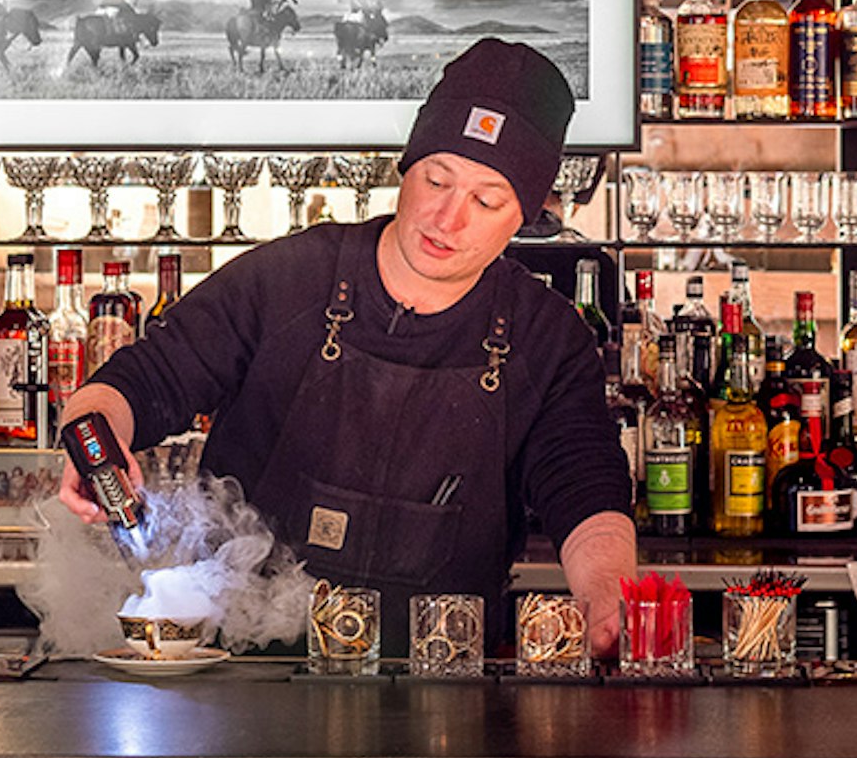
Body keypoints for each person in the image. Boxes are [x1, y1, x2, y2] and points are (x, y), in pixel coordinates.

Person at [57, 36, 638, 655]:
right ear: (407, 169)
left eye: (486, 200)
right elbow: (147, 377)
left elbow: (584, 479)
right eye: (436, 179)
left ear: (524, 215)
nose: (448, 218)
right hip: (251, 674)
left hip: (445, 677)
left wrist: (608, 595)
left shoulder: (546, 336)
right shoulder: (290, 277)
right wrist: (96, 430)